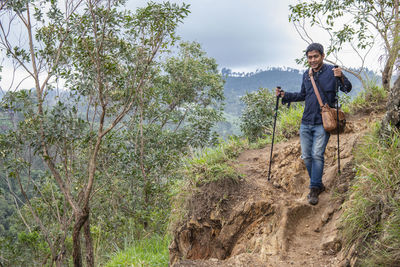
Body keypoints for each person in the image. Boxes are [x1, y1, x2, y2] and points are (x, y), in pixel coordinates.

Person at [276, 43, 352, 205]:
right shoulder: (306, 74)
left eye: (315, 56)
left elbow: (347, 89)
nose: (312, 60)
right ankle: (318, 184)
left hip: (323, 122)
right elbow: (303, 94)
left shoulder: (332, 72)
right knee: (306, 156)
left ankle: (313, 189)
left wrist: (341, 76)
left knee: (317, 154)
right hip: (306, 122)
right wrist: (285, 95)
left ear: (322, 56)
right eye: (309, 57)